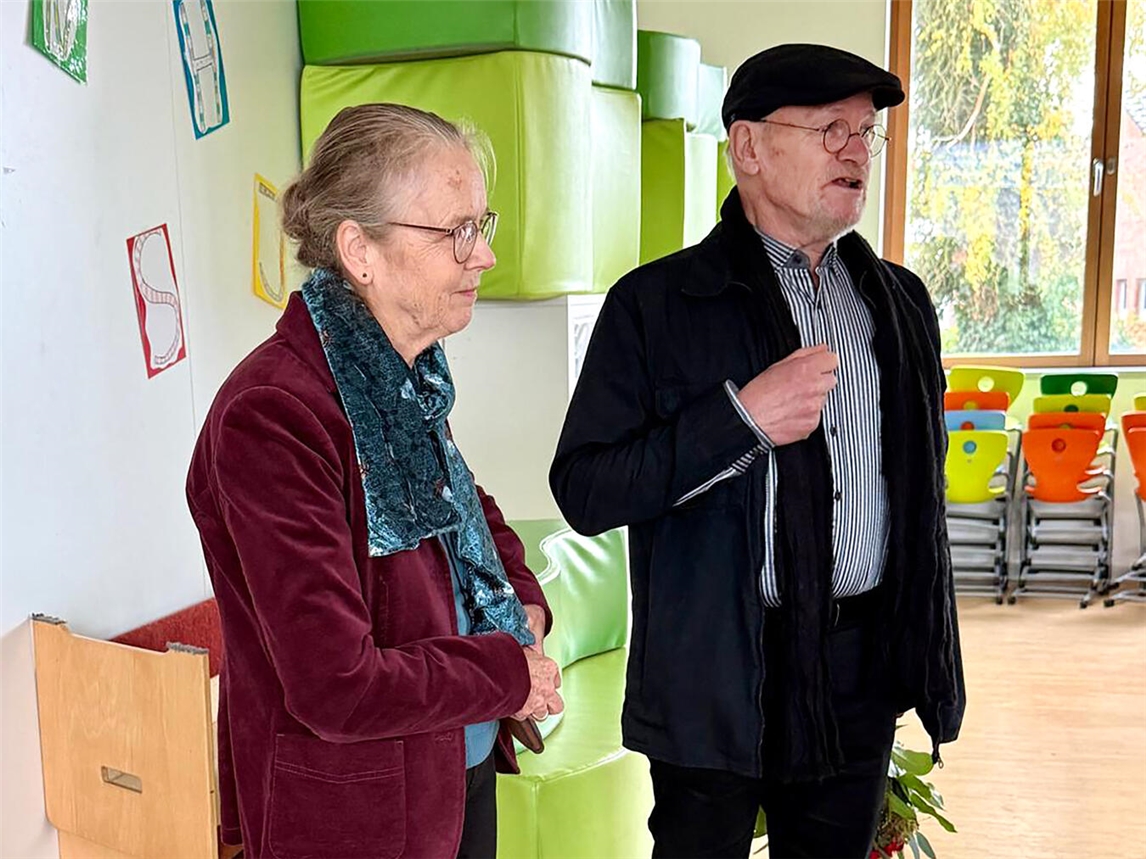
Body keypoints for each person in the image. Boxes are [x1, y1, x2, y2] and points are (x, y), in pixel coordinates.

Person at [549, 44, 965, 859]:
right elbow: (587, 487)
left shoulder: (902, 302)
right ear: (748, 148)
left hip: (857, 667)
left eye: (865, 132)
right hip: (715, 666)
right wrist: (739, 419)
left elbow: (921, 491)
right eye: (830, 129)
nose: (855, 151)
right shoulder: (656, 305)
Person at [187, 103, 563, 859]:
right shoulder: (274, 414)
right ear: (359, 249)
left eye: (480, 225)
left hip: (454, 773)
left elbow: (466, 508)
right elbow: (336, 683)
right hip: (356, 817)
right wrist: (502, 670)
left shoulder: (397, 372)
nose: (482, 255)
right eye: (456, 231)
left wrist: (521, 598)